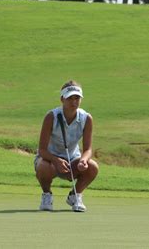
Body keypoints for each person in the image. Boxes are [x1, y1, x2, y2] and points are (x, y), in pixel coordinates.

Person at [34, 80, 99, 212]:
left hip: (73, 160)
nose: (74, 102)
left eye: (77, 98)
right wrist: (56, 160)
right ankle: (47, 195)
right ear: (62, 99)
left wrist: (83, 160)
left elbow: (88, 149)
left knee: (92, 167)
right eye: (70, 98)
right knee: (43, 166)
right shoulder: (51, 116)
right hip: (49, 159)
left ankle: (75, 196)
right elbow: (42, 150)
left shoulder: (86, 118)